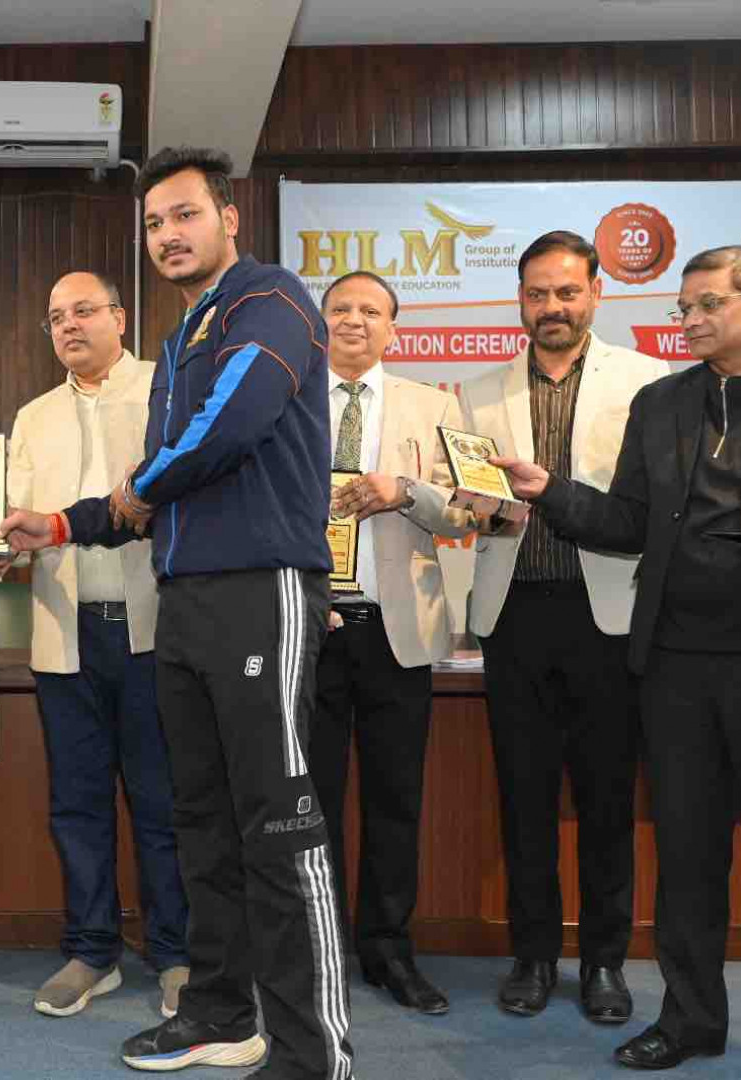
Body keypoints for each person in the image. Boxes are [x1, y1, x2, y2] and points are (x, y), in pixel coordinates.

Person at [495, 245, 741, 1080]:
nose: (689, 320)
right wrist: (549, 493)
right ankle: (689, 1022)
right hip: (673, 667)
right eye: (682, 308)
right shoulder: (661, 402)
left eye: (708, 304)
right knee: (684, 861)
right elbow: (628, 522)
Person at [1, 146, 353, 1080]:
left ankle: (315, 1053)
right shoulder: (188, 330)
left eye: (184, 214)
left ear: (228, 218)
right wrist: (61, 524)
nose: (167, 234)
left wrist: (129, 494)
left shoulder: (267, 300)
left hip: (260, 590)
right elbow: (149, 495)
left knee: (279, 826)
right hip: (185, 599)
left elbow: (222, 430)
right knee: (202, 821)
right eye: (153, 223)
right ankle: (219, 1013)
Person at [459, 230, 668, 1022]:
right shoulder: (475, 392)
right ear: (518, 300)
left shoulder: (645, 381)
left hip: (605, 617)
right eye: (537, 293)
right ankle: (533, 956)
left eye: (567, 292)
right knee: (523, 797)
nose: (552, 306)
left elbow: (648, 507)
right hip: (512, 616)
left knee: (608, 799)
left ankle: (604, 962)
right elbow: (462, 502)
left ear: (595, 294)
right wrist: (468, 507)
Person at [10, 270, 189, 1019]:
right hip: (65, 635)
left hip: (153, 632)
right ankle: (92, 951)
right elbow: (15, 521)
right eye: (55, 317)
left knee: (162, 803)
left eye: (83, 311)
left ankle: (176, 955)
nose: (68, 327)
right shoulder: (33, 416)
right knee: (77, 802)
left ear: (120, 316)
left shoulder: (164, 392)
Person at [307, 271, 472, 1017]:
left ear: (393, 329)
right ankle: (316, 946)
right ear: (321, 323)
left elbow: (466, 510)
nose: (354, 320)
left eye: (370, 310)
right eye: (340, 308)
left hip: (394, 632)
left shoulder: (434, 406)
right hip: (308, 627)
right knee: (309, 801)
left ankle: (386, 948)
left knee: (394, 799)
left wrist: (403, 491)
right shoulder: (285, 402)